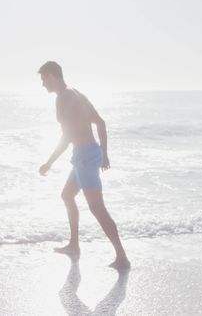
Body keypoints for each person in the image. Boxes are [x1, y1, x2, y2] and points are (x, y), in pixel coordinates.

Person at [37, 61, 130, 269]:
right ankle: (74, 244)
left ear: (52, 76)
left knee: (97, 208)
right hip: (87, 154)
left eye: (44, 80)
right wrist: (103, 154)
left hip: (85, 158)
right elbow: (101, 123)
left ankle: (122, 256)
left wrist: (49, 163)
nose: (43, 85)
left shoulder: (64, 98)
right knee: (67, 195)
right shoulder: (77, 94)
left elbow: (67, 135)